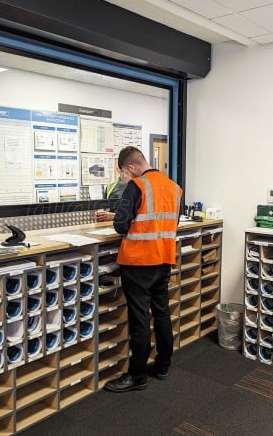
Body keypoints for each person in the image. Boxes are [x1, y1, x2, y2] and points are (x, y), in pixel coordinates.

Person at [103, 146, 182, 393]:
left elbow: (120, 225)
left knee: (139, 321)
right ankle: (162, 366)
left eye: (124, 174)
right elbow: (168, 222)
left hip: (138, 263)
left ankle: (136, 375)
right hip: (164, 260)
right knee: (161, 314)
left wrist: (118, 216)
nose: (123, 179)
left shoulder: (137, 186)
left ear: (132, 167)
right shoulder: (174, 187)